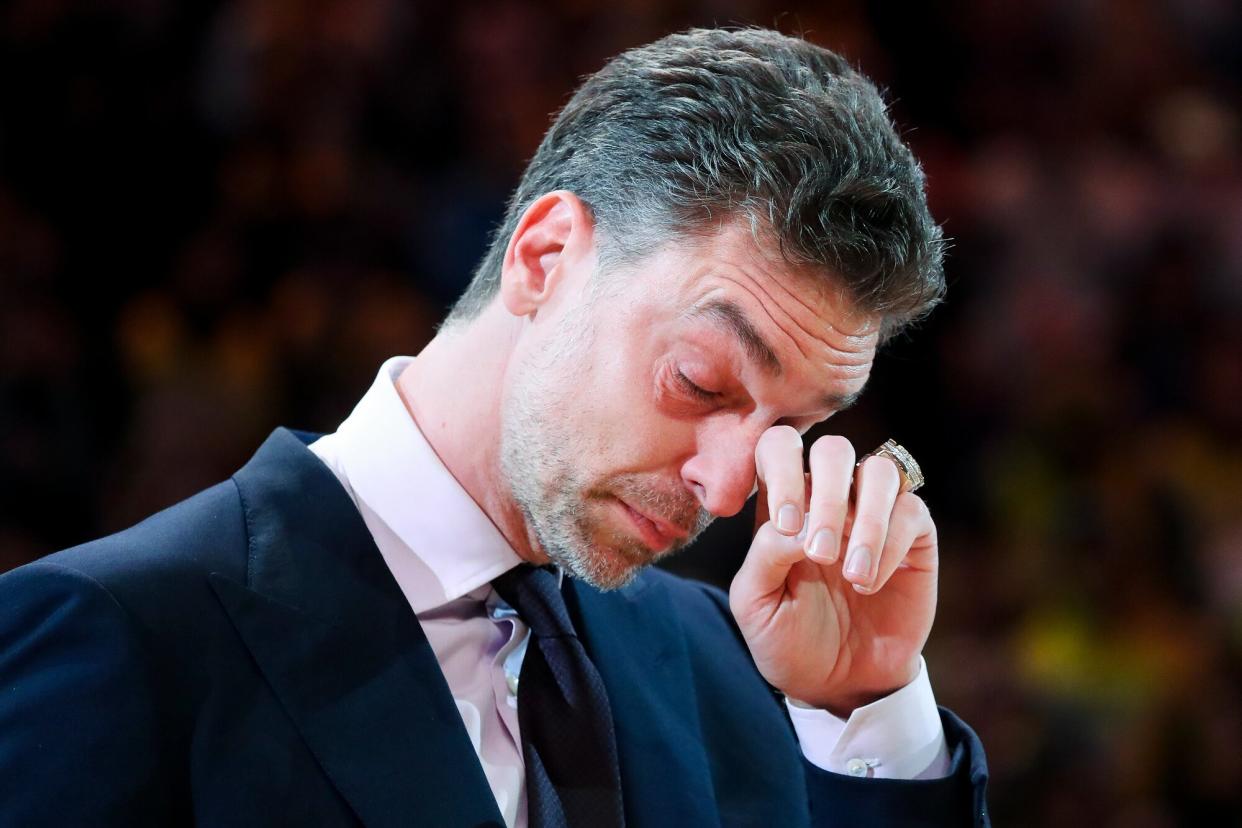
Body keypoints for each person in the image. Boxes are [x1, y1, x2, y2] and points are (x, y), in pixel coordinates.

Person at [0, 27, 989, 827]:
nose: (730, 490)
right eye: (699, 381)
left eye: (791, 432)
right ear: (544, 256)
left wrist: (865, 712)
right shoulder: (121, 638)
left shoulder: (739, 671)